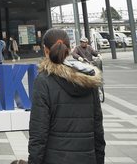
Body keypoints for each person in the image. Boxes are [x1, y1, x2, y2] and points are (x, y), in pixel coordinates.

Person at [28, 28, 104, 164]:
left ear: (45, 50)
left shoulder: (44, 80)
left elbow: (38, 133)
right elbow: (98, 129)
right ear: (69, 50)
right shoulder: (89, 79)